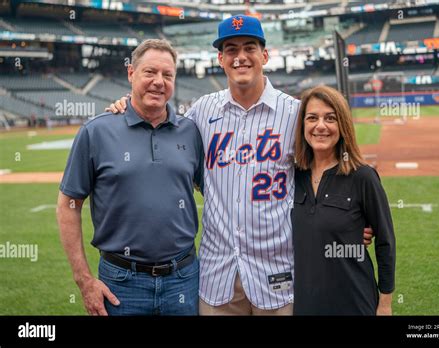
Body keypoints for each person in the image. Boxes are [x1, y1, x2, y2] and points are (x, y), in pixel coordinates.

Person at [108, 15, 374, 315]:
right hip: (217, 277)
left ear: (265, 55)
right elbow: (163, 131)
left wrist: (350, 219)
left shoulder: (295, 113)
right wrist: (128, 102)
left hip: (277, 275)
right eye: (231, 49)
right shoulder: (201, 111)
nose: (241, 57)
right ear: (221, 59)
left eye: (249, 47)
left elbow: (327, 168)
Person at [56, 39, 204, 316]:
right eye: (150, 72)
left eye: (167, 75)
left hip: (183, 280)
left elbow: (214, 191)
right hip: (121, 284)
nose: (159, 82)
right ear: (131, 74)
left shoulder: (190, 132)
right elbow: (68, 204)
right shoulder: (96, 132)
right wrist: (84, 280)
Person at [292, 85, 396, 315]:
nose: (320, 126)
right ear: (302, 126)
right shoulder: (292, 176)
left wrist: (385, 304)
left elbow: (385, 242)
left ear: (343, 125)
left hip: (354, 302)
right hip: (304, 304)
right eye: (312, 118)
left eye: (330, 118)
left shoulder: (362, 176)